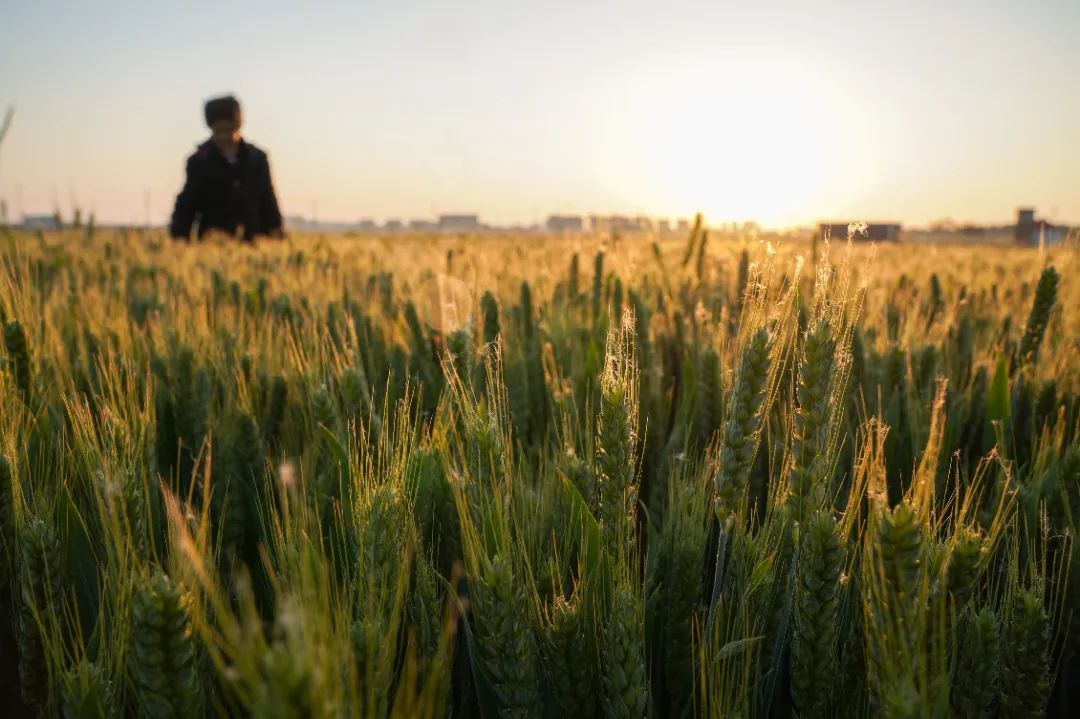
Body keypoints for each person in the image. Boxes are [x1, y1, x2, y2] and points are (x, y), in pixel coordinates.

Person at [169, 95, 283, 241]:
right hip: (212, 243)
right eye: (219, 131)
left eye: (229, 130)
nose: (224, 137)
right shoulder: (199, 161)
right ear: (211, 128)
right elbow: (187, 204)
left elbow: (268, 199)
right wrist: (179, 238)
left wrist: (276, 233)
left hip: (252, 240)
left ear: (238, 126)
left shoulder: (257, 159)